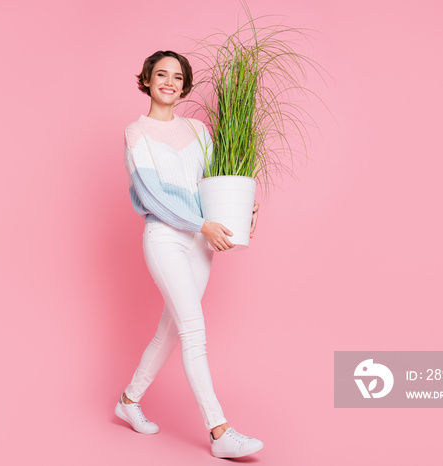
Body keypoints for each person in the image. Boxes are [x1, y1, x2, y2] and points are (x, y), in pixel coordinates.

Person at [115, 50, 263, 459]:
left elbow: (218, 182)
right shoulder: (136, 132)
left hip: (201, 241)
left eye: (177, 77)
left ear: (184, 86)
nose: (169, 82)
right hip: (165, 236)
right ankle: (220, 431)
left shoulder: (198, 130)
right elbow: (152, 196)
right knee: (194, 330)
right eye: (160, 74)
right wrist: (202, 225)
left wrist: (247, 205)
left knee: (172, 330)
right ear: (146, 80)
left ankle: (128, 401)